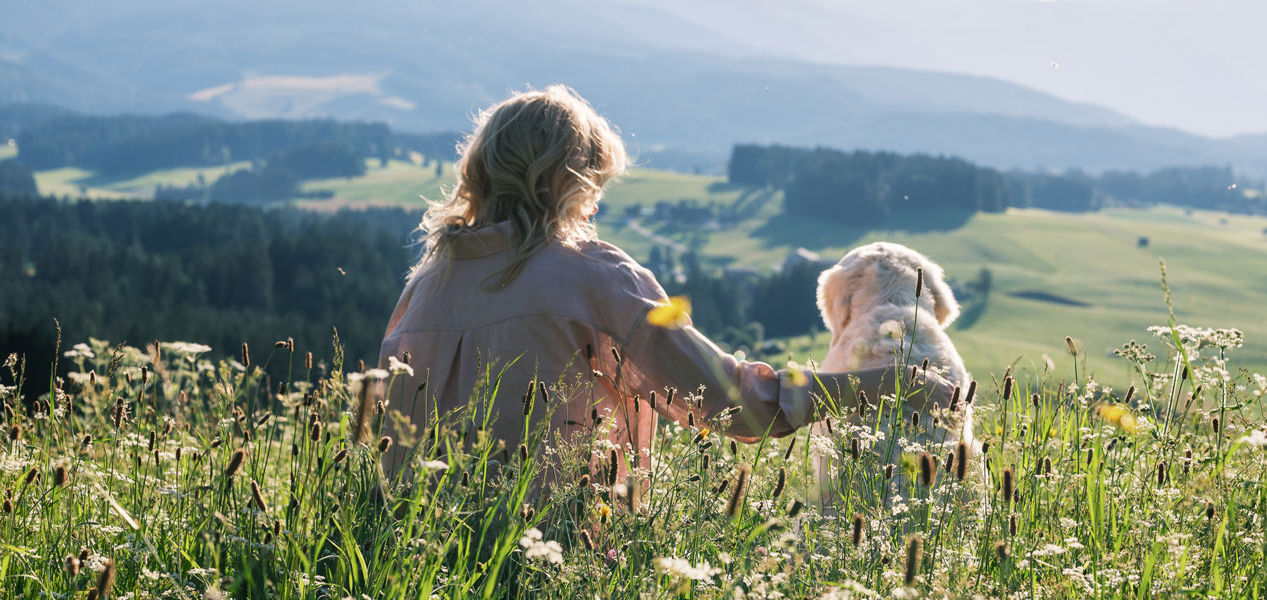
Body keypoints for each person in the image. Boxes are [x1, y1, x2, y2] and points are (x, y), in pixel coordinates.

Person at [377, 85, 952, 477]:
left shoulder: (422, 287)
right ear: (567, 183)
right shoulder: (597, 276)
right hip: (554, 554)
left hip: (425, 559)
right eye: (594, 189)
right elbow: (730, 402)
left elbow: (379, 438)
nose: (594, 208)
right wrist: (873, 388)